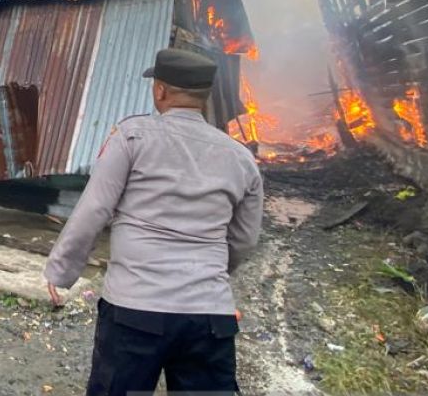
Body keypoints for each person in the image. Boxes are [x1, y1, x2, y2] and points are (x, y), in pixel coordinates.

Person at [45, 48, 264, 396]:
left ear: (160, 90)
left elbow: (94, 209)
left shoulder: (132, 137)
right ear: (204, 97)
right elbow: (244, 240)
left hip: (134, 312)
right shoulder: (241, 158)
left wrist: (61, 271)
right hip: (210, 316)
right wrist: (209, 275)